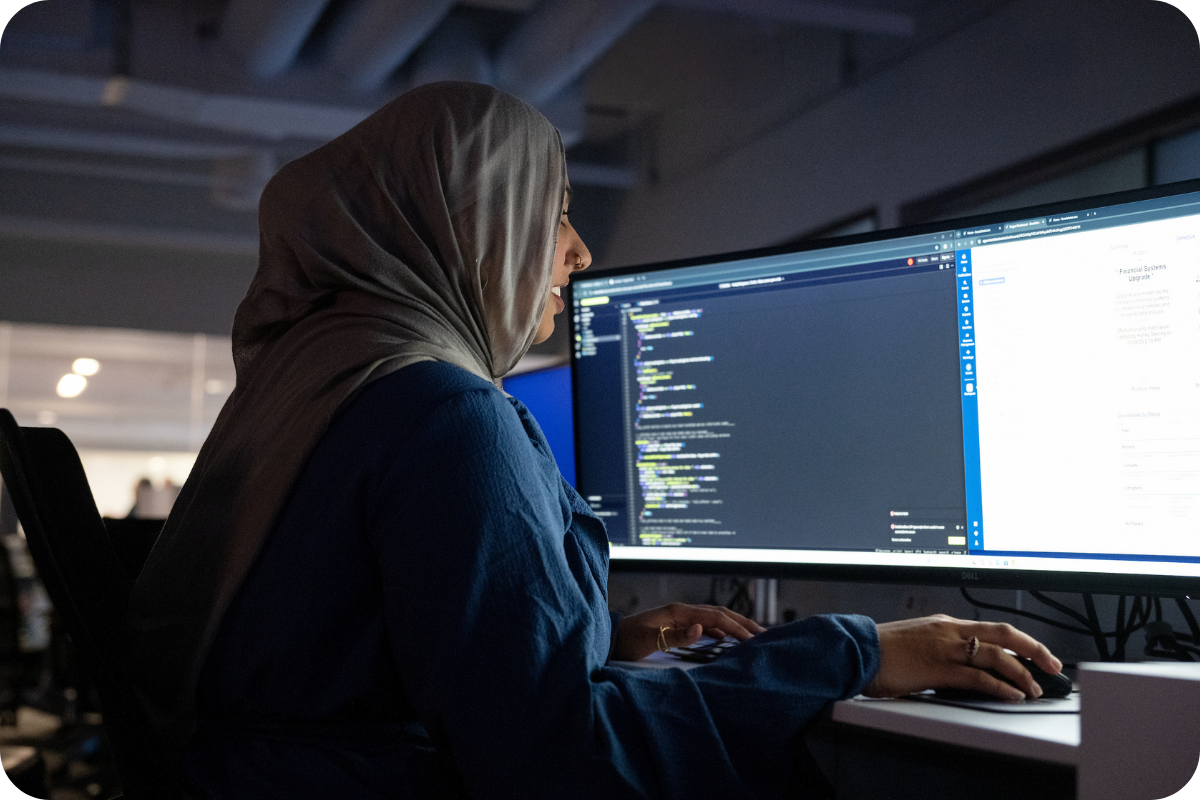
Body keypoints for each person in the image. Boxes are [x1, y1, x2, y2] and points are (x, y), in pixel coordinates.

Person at [124, 82, 1062, 799]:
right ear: (468, 223)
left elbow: (346, 659)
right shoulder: (439, 411)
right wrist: (856, 650)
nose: (579, 251)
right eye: (554, 209)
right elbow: (561, 759)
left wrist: (588, 639)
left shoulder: (315, 383)